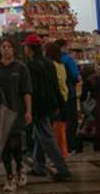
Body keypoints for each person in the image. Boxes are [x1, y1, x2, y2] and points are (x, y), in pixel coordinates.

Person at [0, 37, 32, 192]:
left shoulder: (20, 68)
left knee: (15, 143)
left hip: (16, 111)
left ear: (13, 49)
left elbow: (26, 92)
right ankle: (9, 176)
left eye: (8, 46)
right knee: (4, 143)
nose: (5, 49)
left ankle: (19, 168)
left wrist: (28, 111)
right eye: (2, 46)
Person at [24, 35, 72, 181]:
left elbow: (31, 90)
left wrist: (29, 109)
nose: (24, 49)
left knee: (46, 136)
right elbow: (55, 85)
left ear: (30, 49)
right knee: (39, 134)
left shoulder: (30, 66)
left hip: (38, 105)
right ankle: (38, 166)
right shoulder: (49, 63)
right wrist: (59, 103)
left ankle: (62, 169)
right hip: (50, 104)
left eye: (26, 46)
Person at [56, 40, 82, 153]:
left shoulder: (52, 60)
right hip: (69, 93)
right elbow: (75, 75)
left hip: (57, 96)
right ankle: (70, 144)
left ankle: (61, 144)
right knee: (71, 120)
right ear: (64, 47)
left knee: (60, 121)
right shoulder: (67, 59)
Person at [46, 41, 71, 158]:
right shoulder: (61, 64)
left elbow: (54, 84)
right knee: (62, 128)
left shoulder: (51, 65)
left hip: (56, 99)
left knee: (55, 129)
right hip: (64, 98)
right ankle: (63, 151)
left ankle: (58, 152)